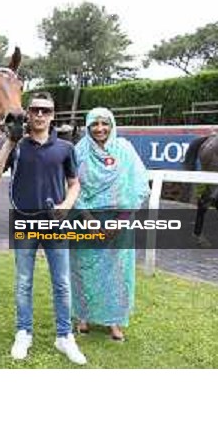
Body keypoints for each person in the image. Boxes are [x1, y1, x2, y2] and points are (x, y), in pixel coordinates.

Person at [0, 93, 87, 364]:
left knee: (62, 283)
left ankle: (64, 336)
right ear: (27, 113)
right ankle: (23, 332)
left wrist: (66, 204)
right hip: (24, 221)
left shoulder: (65, 148)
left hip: (55, 223)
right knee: (23, 282)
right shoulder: (16, 145)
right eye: (35, 110)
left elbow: (75, 183)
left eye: (46, 111)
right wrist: (9, 141)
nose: (40, 115)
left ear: (53, 115)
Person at [70, 107, 149, 341]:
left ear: (112, 125)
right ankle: (83, 317)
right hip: (85, 220)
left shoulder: (124, 149)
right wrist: (90, 221)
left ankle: (114, 321)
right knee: (83, 269)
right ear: (88, 126)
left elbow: (139, 184)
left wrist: (121, 221)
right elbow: (73, 186)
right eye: (94, 124)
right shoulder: (79, 151)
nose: (100, 129)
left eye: (105, 123)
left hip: (120, 222)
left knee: (118, 272)